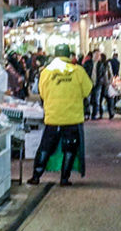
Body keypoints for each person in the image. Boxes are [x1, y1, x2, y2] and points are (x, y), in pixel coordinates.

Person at [28, 44, 93, 186]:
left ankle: (36, 176)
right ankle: (64, 179)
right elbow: (87, 90)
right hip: (72, 118)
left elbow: (43, 93)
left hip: (53, 117)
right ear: (69, 55)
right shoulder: (78, 71)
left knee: (45, 146)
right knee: (69, 148)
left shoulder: (46, 72)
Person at [93, 52, 115, 119]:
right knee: (107, 99)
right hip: (103, 84)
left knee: (102, 99)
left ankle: (107, 113)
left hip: (103, 84)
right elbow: (110, 74)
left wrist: (110, 81)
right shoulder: (100, 64)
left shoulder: (104, 64)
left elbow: (110, 74)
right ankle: (107, 112)